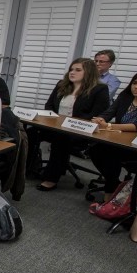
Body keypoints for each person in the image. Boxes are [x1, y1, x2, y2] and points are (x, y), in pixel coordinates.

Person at [27, 58, 110, 191]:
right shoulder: (62, 85)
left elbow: (97, 114)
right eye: (71, 69)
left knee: (61, 138)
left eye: (78, 70)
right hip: (55, 127)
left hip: (79, 132)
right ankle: (28, 168)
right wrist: (54, 121)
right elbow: (49, 106)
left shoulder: (99, 89)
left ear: (88, 72)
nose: (72, 72)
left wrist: (69, 123)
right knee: (30, 132)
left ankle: (51, 178)